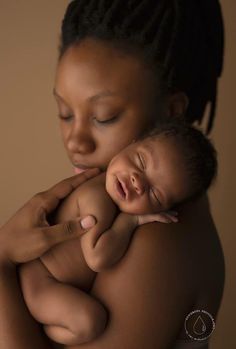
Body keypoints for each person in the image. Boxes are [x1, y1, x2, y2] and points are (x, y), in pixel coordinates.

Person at [0, 1, 225, 349]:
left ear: (171, 112)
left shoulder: (159, 235)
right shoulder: (135, 207)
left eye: (103, 117)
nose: (75, 141)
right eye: (64, 112)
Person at [19, 121, 217, 347]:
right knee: (89, 322)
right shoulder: (97, 197)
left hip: (50, 284)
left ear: (163, 210)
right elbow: (98, 257)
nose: (137, 182)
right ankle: (42, 332)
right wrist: (131, 220)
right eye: (141, 161)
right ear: (131, 144)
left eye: (154, 194)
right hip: (38, 281)